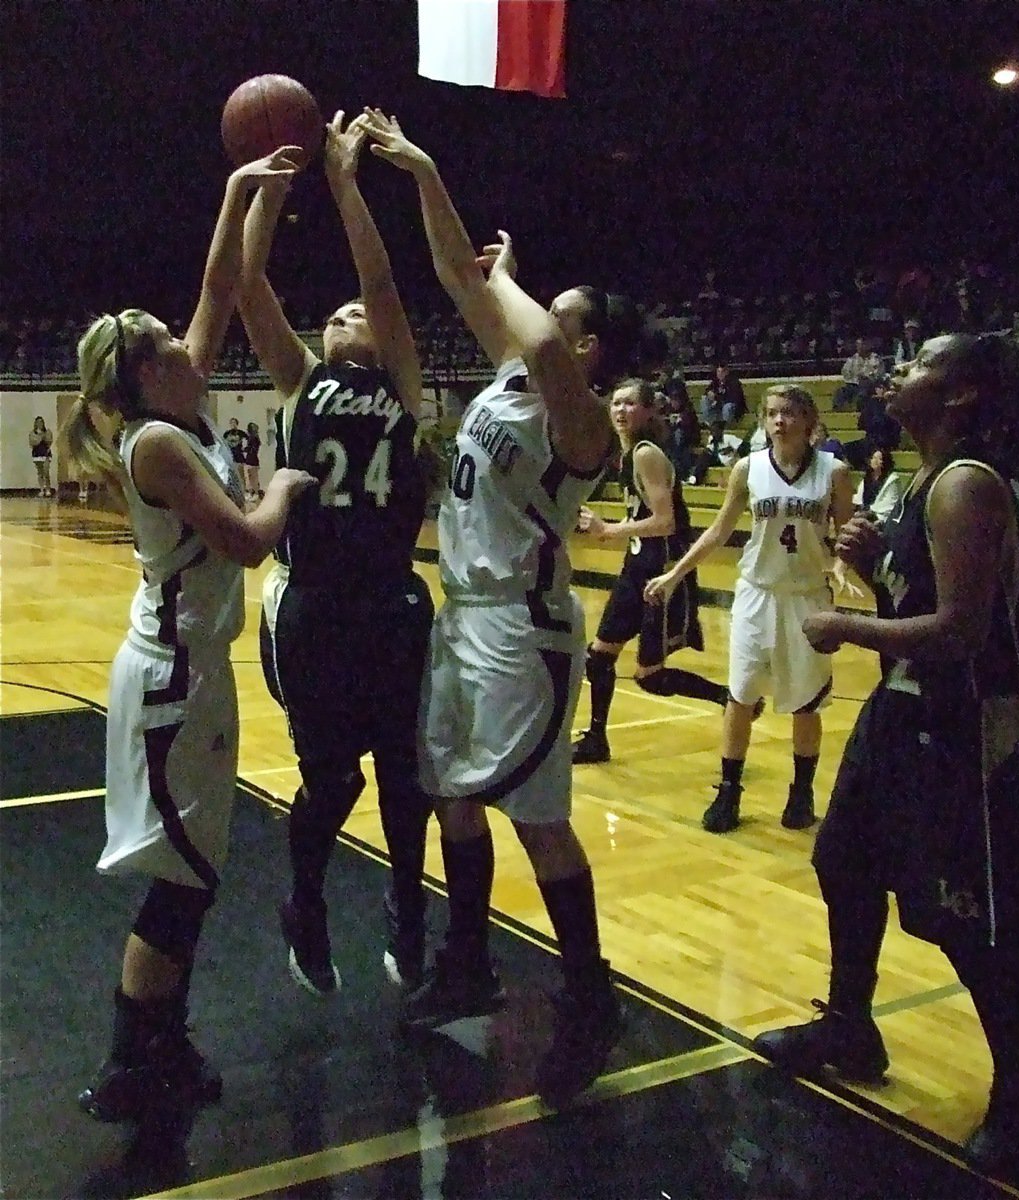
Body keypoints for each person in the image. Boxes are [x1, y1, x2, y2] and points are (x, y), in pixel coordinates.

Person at [362, 107, 664, 1107]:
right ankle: (467, 960)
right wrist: (421, 169)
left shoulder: (582, 422)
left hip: (522, 634)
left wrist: (508, 278)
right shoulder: (516, 376)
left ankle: (590, 994)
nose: (531, 310)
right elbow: (459, 273)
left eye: (556, 310)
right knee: (451, 792)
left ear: (585, 343)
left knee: (536, 820)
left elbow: (522, 323)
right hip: (465, 618)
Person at [754, 334, 1019, 1180]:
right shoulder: (919, 482)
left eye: (920, 363)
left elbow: (962, 635)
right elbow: (928, 612)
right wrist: (875, 575)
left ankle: (1017, 1098)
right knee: (844, 862)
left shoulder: (965, 485)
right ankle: (850, 1024)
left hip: (984, 728)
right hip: (908, 711)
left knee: (979, 925)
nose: (897, 372)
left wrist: (848, 624)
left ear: (960, 396)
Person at [59, 148, 313, 1123]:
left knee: (193, 874)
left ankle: (163, 1040)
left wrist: (248, 189)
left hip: (193, 672)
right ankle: (133, 1060)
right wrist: (291, 475)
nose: (187, 343)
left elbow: (219, 284)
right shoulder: (158, 441)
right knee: (178, 879)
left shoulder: (175, 405)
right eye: (168, 341)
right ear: (142, 372)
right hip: (172, 679)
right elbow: (250, 541)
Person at [238, 110, 436, 997]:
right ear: (320, 341)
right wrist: (268, 198)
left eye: (359, 312)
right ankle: (305, 904)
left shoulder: (400, 377)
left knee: (406, 777)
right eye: (338, 314)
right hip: (315, 601)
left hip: (391, 599)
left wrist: (346, 186)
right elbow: (248, 288)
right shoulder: (298, 382)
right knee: (332, 781)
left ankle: (409, 911)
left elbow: (383, 281)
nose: (352, 313)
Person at [645, 384, 855, 833]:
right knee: (741, 695)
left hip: (807, 598)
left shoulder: (834, 472)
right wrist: (674, 573)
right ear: (763, 421)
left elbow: (848, 531)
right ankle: (728, 792)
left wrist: (840, 564)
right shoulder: (748, 468)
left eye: (790, 413)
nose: (780, 421)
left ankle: (801, 793)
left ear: (808, 421)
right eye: (773, 413)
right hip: (756, 594)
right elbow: (718, 532)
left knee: (806, 703)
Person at [570, 377, 727, 765]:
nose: (620, 411)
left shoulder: (645, 454)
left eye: (628, 404)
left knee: (649, 677)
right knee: (599, 656)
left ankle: (729, 698)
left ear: (646, 410)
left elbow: (666, 521)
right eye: (615, 404)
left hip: (663, 572)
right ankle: (596, 739)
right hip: (636, 567)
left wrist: (609, 530)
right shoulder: (625, 455)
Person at [852, 445, 902, 522]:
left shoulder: (892, 479)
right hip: (864, 514)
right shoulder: (867, 478)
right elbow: (859, 499)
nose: (875, 461)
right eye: (873, 458)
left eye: (879, 459)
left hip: (882, 518)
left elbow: (889, 505)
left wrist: (870, 513)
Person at [29, 415, 53, 497]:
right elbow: (33, 443)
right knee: (40, 473)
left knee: (46, 471)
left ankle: (48, 489)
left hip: (46, 453)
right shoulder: (33, 433)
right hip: (37, 454)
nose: (40, 424)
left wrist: (44, 437)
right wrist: (39, 437)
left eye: (41, 422)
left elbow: (49, 441)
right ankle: (42, 489)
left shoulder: (47, 431)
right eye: (38, 422)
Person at [222, 417, 247, 489]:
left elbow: (247, 441)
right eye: (231, 423)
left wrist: (244, 449)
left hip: (239, 456)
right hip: (230, 456)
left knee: (241, 474)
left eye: (234, 423)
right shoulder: (226, 434)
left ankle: (244, 489)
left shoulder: (241, 433)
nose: (233, 424)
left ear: (237, 424)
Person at [242, 420, 262, 502]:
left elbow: (252, 449)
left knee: (253, 477)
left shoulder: (254, 439)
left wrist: (245, 449)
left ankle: (256, 493)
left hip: (252, 459)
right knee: (250, 477)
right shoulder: (252, 438)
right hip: (250, 459)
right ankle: (252, 493)